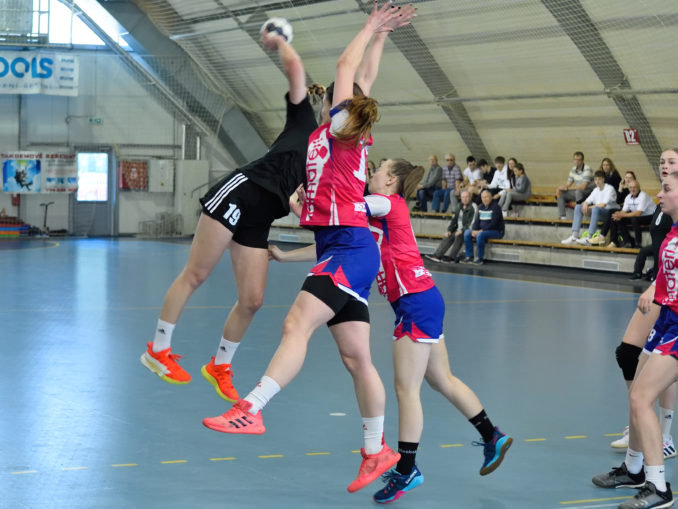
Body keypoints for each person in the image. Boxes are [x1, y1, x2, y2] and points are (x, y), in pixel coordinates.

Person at [202, 2, 417, 494]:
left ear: (343, 106)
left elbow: (348, 68)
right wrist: (383, 36)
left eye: (340, 96)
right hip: (342, 248)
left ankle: (251, 409)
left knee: (295, 324)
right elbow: (364, 76)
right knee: (356, 359)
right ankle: (376, 450)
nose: (334, 95)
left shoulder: (343, 133)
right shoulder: (325, 137)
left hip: (349, 249)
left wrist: (370, 24)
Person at [271, 158, 513, 503]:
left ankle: (407, 469)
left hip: (414, 302)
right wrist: (287, 253)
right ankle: (492, 436)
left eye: (380, 169)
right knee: (441, 379)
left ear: (391, 181)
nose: (373, 173)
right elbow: (334, 241)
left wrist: (305, 201)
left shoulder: (387, 203)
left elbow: (342, 210)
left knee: (406, 389)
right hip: (424, 299)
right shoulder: (375, 217)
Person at [140, 25, 320, 401]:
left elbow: (305, 202)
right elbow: (295, 70)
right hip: (240, 193)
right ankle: (158, 349)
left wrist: (298, 206)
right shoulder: (306, 123)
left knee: (252, 299)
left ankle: (219, 366)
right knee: (197, 273)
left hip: (262, 217)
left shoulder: (330, 158)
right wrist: (280, 42)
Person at [591, 167, 678, 509]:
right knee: (636, 393)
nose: (659, 194)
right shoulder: (672, 231)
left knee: (642, 397)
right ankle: (634, 469)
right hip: (667, 320)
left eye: (666, 188)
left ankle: (659, 487)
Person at [560, 170, 618, 245]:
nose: (597, 181)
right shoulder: (596, 190)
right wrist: (585, 204)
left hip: (608, 214)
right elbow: (587, 201)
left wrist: (589, 207)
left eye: (599, 179)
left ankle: (589, 238)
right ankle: (574, 236)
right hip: (597, 212)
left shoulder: (609, 188)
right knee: (578, 207)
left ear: (603, 179)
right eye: (596, 179)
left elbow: (603, 205)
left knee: (595, 208)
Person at [425, 190, 477, 263]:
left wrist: (462, 230)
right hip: (459, 230)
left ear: (470, 197)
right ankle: (437, 255)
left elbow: (472, 222)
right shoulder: (459, 206)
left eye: (466, 197)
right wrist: (449, 230)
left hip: (468, 230)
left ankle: (452, 257)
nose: (465, 199)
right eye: (463, 197)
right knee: (448, 235)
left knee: (459, 235)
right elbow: (454, 220)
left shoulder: (473, 206)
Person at [608, 180, 656, 248]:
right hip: (638, 216)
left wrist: (621, 215)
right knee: (618, 219)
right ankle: (628, 242)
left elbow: (638, 213)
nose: (632, 189)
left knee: (635, 220)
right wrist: (618, 215)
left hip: (651, 216)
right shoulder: (628, 197)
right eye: (630, 187)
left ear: (638, 188)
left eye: (634, 187)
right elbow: (624, 211)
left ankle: (638, 244)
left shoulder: (643, 196)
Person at [463, 189, 504, 264]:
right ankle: (469, 256)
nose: (485, 199)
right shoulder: (481, 206)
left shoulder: (496, 207)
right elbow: (476, 221)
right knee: (467, 233)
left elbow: (494, 224)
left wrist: (481, 231)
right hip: (482, 231)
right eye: (483, 197)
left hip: (496, 231)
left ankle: (480, 258)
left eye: (486, 197)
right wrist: (474, 230)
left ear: (491, 197)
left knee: (480, 235)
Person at [556, 151, 594, 220]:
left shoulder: (587, 169)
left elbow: (583, 187)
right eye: (575, 160)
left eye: (579, 160)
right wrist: (561, 188)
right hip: (578, 191)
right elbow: (568, 183)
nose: (576, 162)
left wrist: (567, 188)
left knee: (578, 192)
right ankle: (562, 217)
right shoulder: (573, 169)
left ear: (582, 161)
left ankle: (580, 217)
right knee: (560, 193)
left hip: (588, 192)